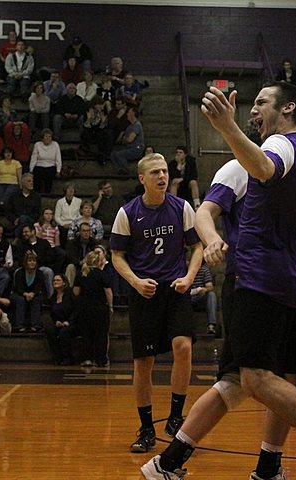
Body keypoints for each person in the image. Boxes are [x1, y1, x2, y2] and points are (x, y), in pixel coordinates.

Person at [149, 81, 296, 480]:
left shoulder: (276, 149)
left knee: (252, 379)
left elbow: (264, 166)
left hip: (260, 278)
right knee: (293, 378)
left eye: (260, 103)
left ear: (289, 109)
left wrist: (226, 127)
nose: (252, 110)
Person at [110, 153, 203, 453]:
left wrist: (189, 277)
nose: (162, 176)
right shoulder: (128, 213)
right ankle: (146, 428)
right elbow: (117, 256)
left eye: (164, 171)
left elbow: (197, 246)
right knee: (143, 362)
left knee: (183, 346)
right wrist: (136, 281)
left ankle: (175, 417)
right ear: (142, 179)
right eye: (155, 173)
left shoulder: (181, 207)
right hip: (144, 293)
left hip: (175, 289)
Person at [73, 250, 113, 367]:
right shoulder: (102, 274)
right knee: (101, 334)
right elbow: (108, 292)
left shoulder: (81, 274)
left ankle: (87, 359)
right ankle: (101, 360)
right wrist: (110, 306)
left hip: (84, 309)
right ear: (98, 262)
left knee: (86, 334)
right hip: (99, 308)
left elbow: (76, 292)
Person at [44, 273, 76, 365]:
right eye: (54, 280)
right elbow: (53, 313)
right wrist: (56, 322)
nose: (55, 282)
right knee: (50, 330)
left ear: (64, 283)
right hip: (60, 323)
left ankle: (68, 357)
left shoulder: (70, 293)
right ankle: (57, 357)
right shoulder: (53, 297)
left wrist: (69, 322)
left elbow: (76, 310)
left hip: (72, 323)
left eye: (58, 280)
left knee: (64, 332)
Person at [11, 251, 46, 333]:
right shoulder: (19, 272)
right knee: (20, 300)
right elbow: (18, 288)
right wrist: (25, 294)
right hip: (19, 294)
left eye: (34, 261)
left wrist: (33, 294)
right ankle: (19, 325)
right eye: (30, 261)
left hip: (34, 294)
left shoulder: (39, 273)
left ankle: (36, 325)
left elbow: (39, 287)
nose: (32, 263)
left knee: (36, 300)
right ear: (26, 262)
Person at [30, 129, 62, 194]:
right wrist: (31, 169)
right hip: (39, 165)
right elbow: (34, 158)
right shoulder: (37, 144)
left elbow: (58, 158)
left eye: (50, 136)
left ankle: (47, 193)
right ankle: (37, 194)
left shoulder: (55, 144)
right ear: (42, 138)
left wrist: (58, 170)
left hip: (51, 165)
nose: (48, 138)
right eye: (46, 136)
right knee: (38, 174)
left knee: (49, 174)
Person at [190, 263, 217, 335]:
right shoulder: (185, 271)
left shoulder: (204, 270)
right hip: (188, 297)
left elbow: (210, 286)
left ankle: (211, 325)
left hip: (200, 297)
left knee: (211, 295)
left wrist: (203, 289)